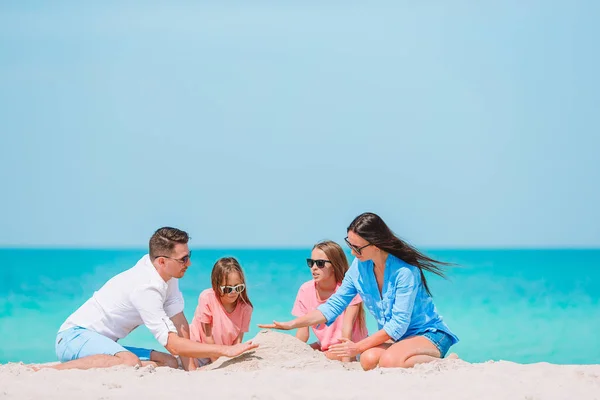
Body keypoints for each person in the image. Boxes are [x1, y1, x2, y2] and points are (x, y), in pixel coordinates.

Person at [260, 212, 458, 370]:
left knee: (389, 362)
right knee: (368, 360)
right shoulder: (359, 267)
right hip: (399, 339)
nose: (352, 253)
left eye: (357, 248)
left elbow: (398, 325)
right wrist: (293, 323)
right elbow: (334, 305)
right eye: (349, 244)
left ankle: (447, 362)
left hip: (429, 334)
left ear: (376, 245)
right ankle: (401, 354)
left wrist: (357, 346)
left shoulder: (405, 271)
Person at [48, 227, 257, 371]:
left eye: (189, 255)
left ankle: (110, 361)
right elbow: (173, 344)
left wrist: (191, 368)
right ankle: (49, 371)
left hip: (103, 342)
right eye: (183, 259)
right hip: (73, 337)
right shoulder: (146, 288)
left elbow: (180, 324)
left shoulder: (166, 274)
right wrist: (225, 350)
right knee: (129, 362)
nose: (189, 263)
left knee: (169, 362)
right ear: (162, 261)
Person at [292, 241, 367, 362]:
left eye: (320, 263)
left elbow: (346, 331)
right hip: (325, 345)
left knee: (319, 357)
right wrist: (294, 351)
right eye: (311, 263)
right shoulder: (305, 290)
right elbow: (303, 333)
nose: (314, 268)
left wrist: (346, 365)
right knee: (299, 353)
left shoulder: (348, 291)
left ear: (334, 265)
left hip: (353, 346)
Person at [188, 257, 253, 369]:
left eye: (238, 288)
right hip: (198, 349)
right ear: (216, 285)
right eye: (228, 289)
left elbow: (238, 340)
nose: (233, 292)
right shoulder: (207, 298)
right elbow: (207, 336)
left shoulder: (246, 308)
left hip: (223, 353)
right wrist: (216, 362)